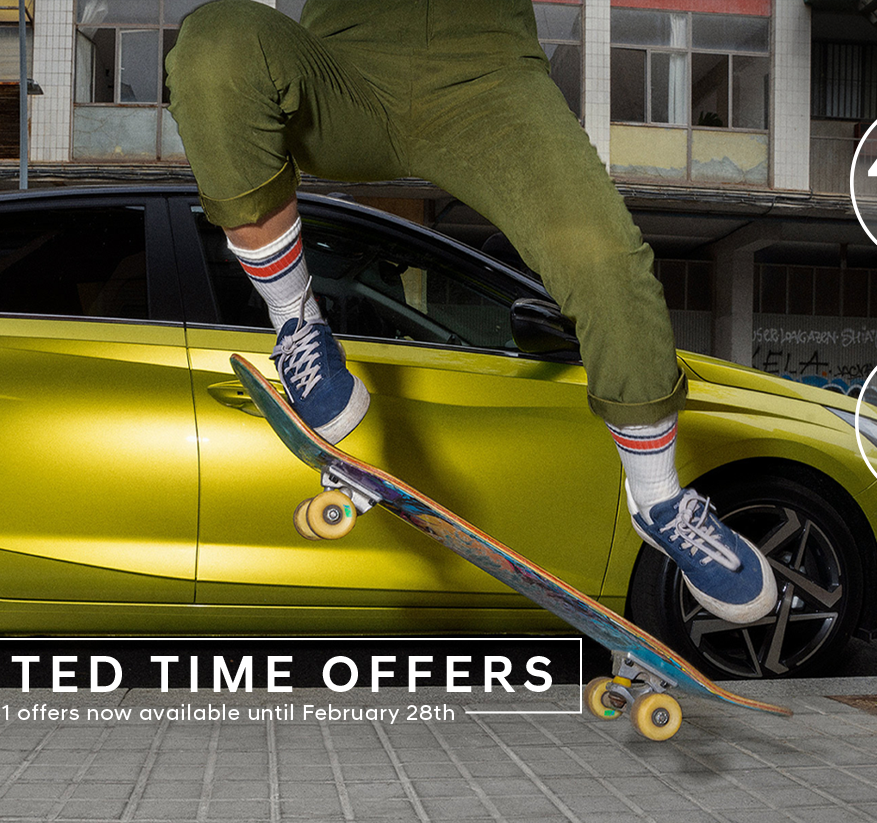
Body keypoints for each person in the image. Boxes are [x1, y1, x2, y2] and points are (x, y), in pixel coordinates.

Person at [165, 0, 776, 624]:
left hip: (489, 84)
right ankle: (297, 320)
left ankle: (659, 502)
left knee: (606, 263)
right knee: (215, 40)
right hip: (343, 78)